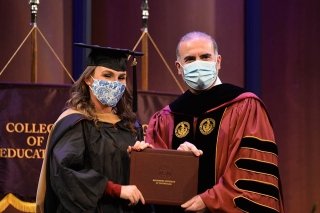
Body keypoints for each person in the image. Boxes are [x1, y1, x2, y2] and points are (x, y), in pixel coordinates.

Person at [145, 31, 285, 213]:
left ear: (218, 62)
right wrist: (175, 160)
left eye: (205, 57)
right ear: (179, 67)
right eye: (190, 59)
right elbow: (156, 178)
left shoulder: (245, 106)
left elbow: (251, 172)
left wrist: (210, 200)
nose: (198, 64)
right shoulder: (166, 117)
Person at [36, 43, 153, 213]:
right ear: (88, 79)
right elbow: (66, 172)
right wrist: (114, 189)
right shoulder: (76, 122)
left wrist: (141, 159)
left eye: (121, 78)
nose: (115, 83)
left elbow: (139, 183)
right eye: (107, 75)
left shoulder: (129, 126)